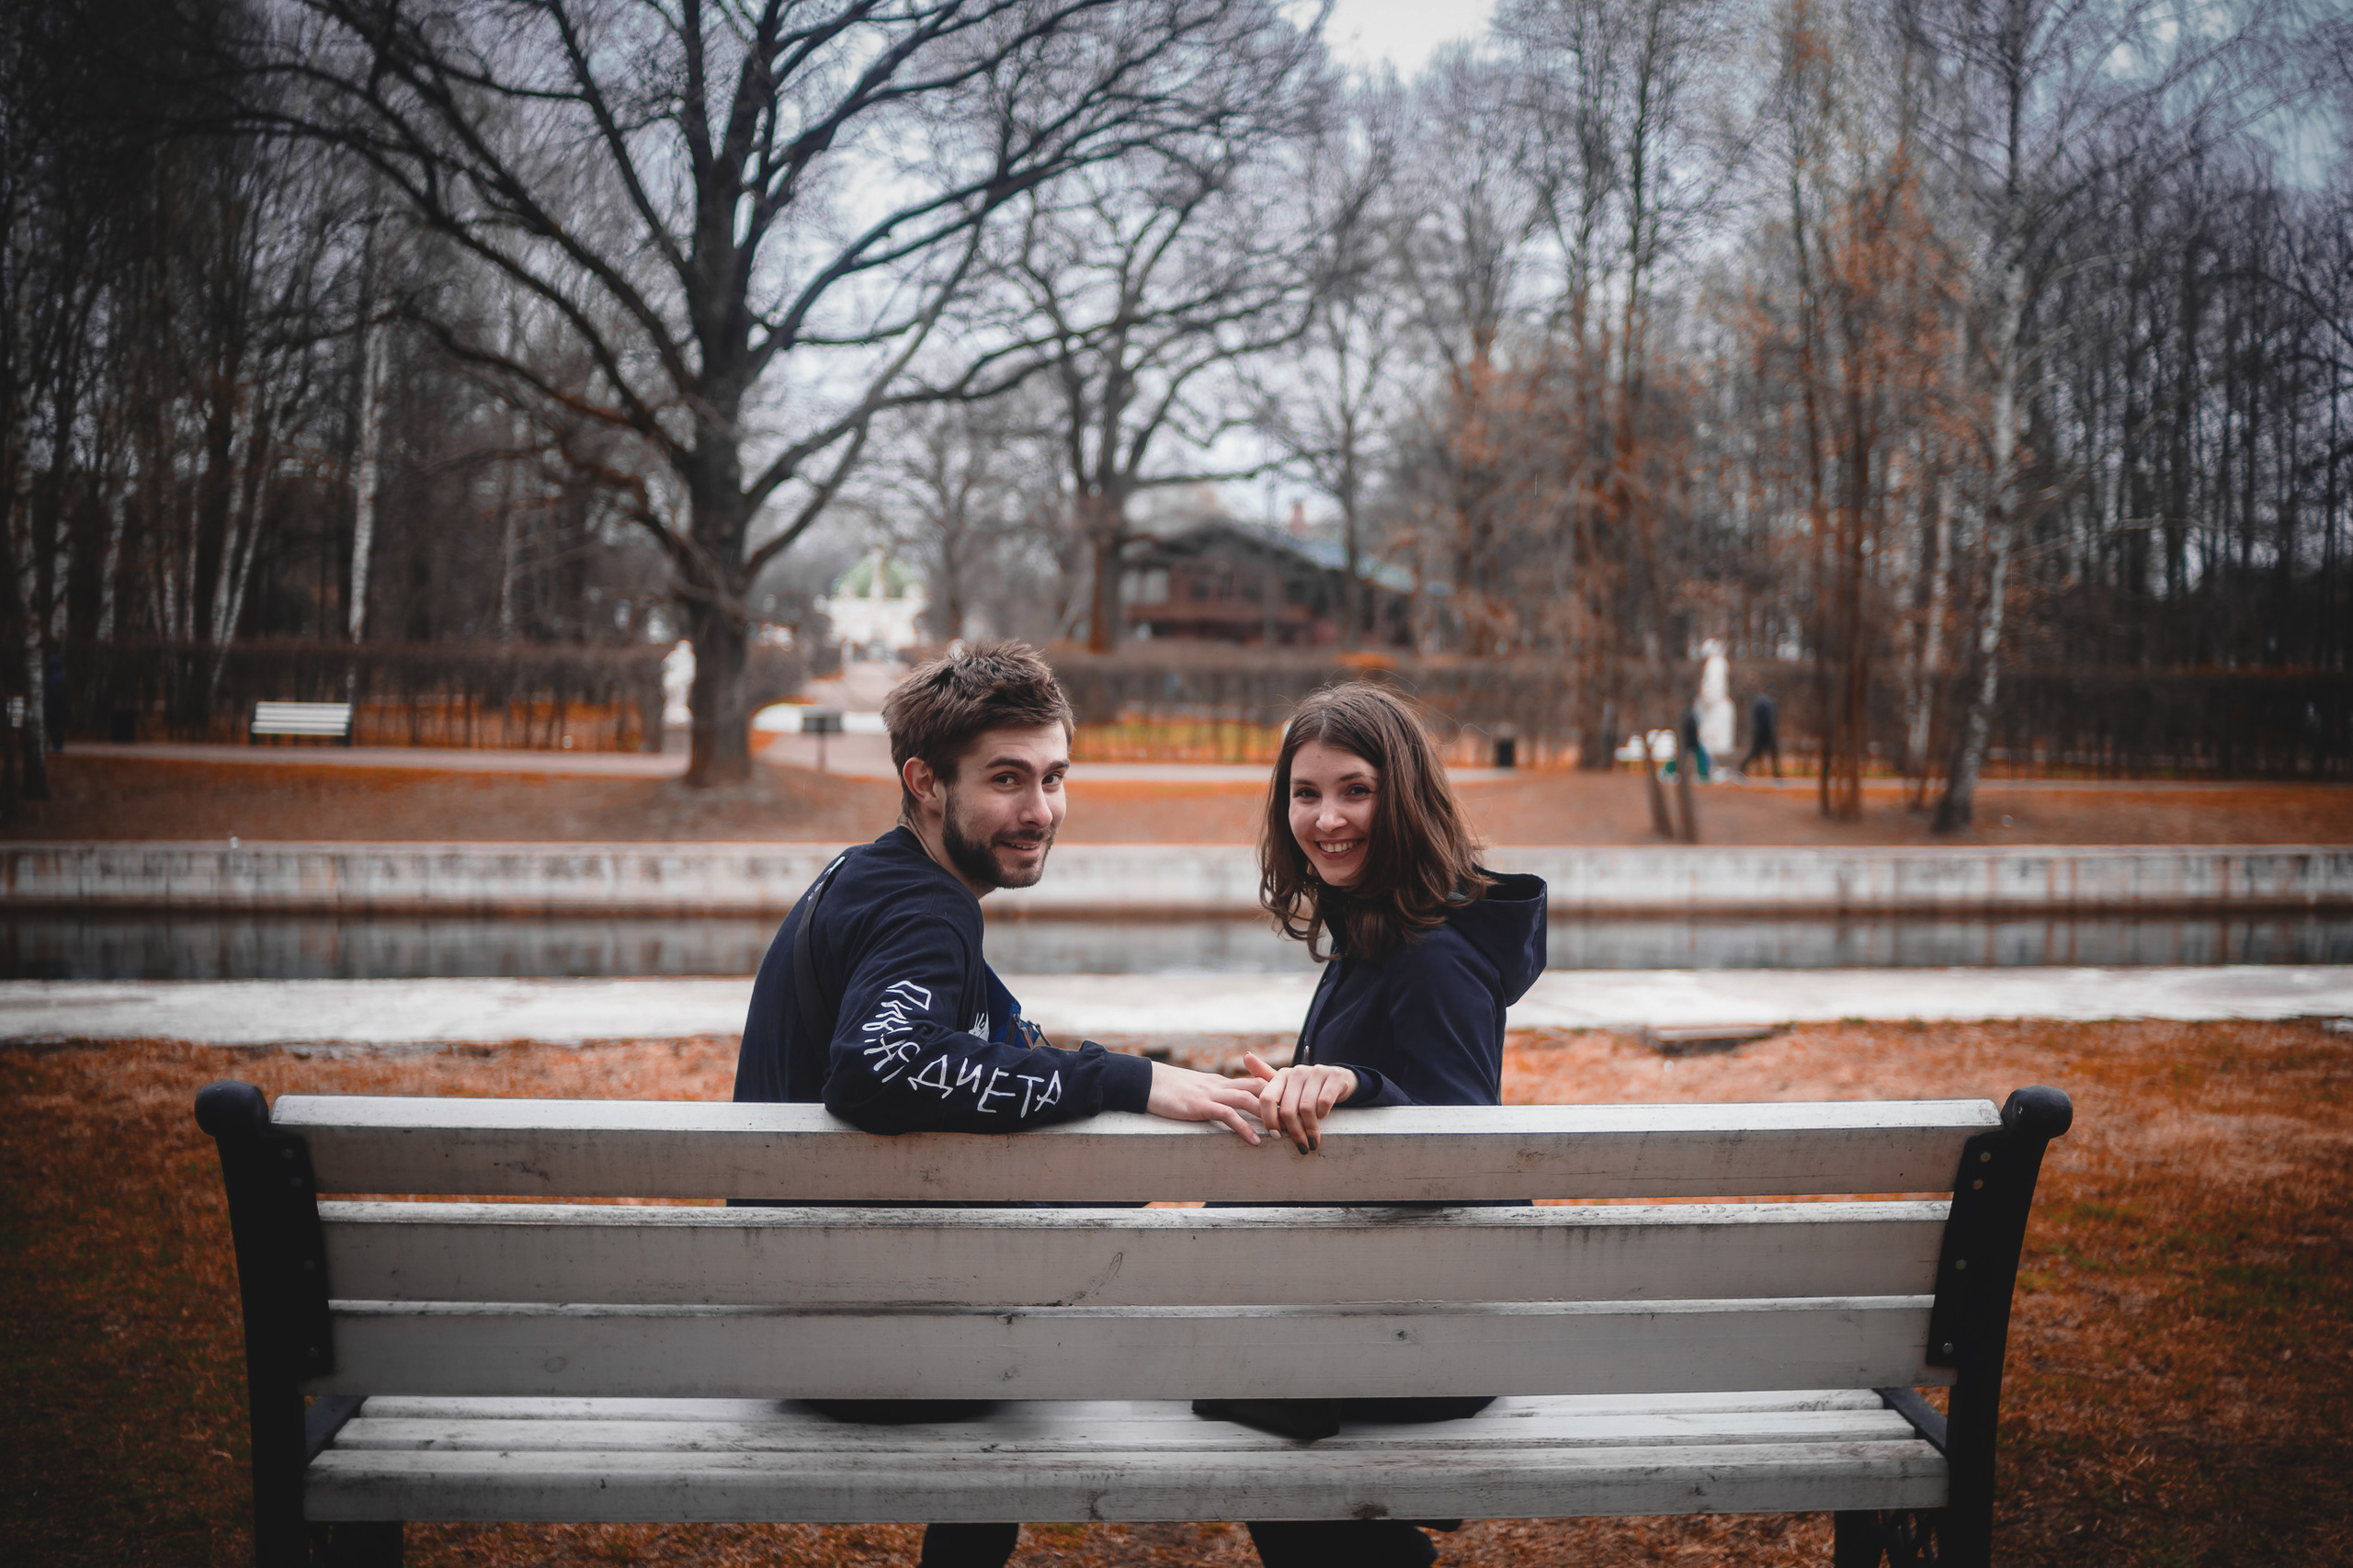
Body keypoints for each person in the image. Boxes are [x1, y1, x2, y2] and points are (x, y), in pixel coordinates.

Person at [733, 640, 1264, 1568]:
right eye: (1007, 779)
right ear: (925, 780)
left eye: (1055, 776)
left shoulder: (870, 877)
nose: (1041, 809)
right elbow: (878, 1064)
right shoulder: (927, 910)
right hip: (866, 1348)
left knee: (1101, 1195)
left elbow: (970, 1040)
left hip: (814, 1314)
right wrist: (1118, 1080)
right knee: (1194, 1272)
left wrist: (1121, 1071)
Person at [1228, 683, 1548, 1568]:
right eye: (1306, 793)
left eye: (1355, 790)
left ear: (1402, 794)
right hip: (1388, 1317)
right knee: (1222, 1369)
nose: (1327, 818)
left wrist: (1357, 1082)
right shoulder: (1377, 927)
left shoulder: (1433, 956)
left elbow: (1462, 1152)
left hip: (1427, 1345)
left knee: (1223, 1383)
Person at [1745, 690, 1781, 778]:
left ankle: (1777, 772)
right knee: (1762, 753)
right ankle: (1776, 772)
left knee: (1761, 753)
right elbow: (1768, 721)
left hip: (1760, 732)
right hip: (1765, 732)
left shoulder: (1761, 703)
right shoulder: (1767, 704)